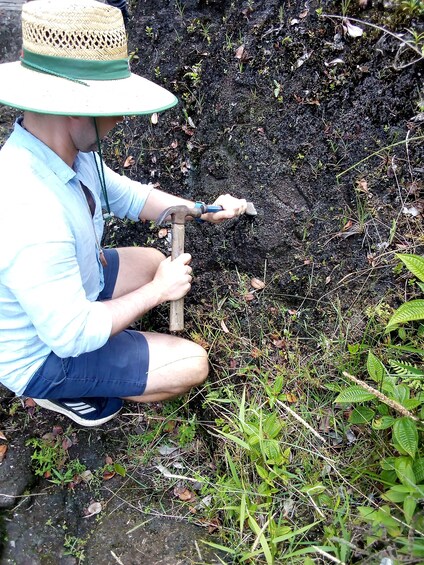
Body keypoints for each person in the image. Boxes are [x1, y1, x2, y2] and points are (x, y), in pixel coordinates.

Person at [0, 0, 247, 427]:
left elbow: (131, 196)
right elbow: (71, 334)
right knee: (191, 363)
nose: (119, 119)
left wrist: (203, 211)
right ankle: (66, 393)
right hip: (46, 352)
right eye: (113, 106)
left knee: (154, 262)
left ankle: (109, 341)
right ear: (75, 106)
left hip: (72, 293)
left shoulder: (63, 154)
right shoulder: (29, 210)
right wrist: (157, 293)